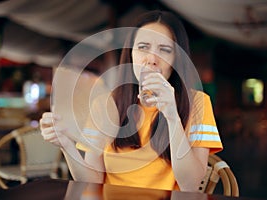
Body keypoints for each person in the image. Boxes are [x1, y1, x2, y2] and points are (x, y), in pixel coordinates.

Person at [40, 10, 223, 192]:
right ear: (130, 55)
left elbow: (190, 185)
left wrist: (172, 116)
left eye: (165, 50)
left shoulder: (198, 103)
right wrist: (66, 145)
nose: (152, 59)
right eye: (143, 47)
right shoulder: (105, 104)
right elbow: (91, 181)